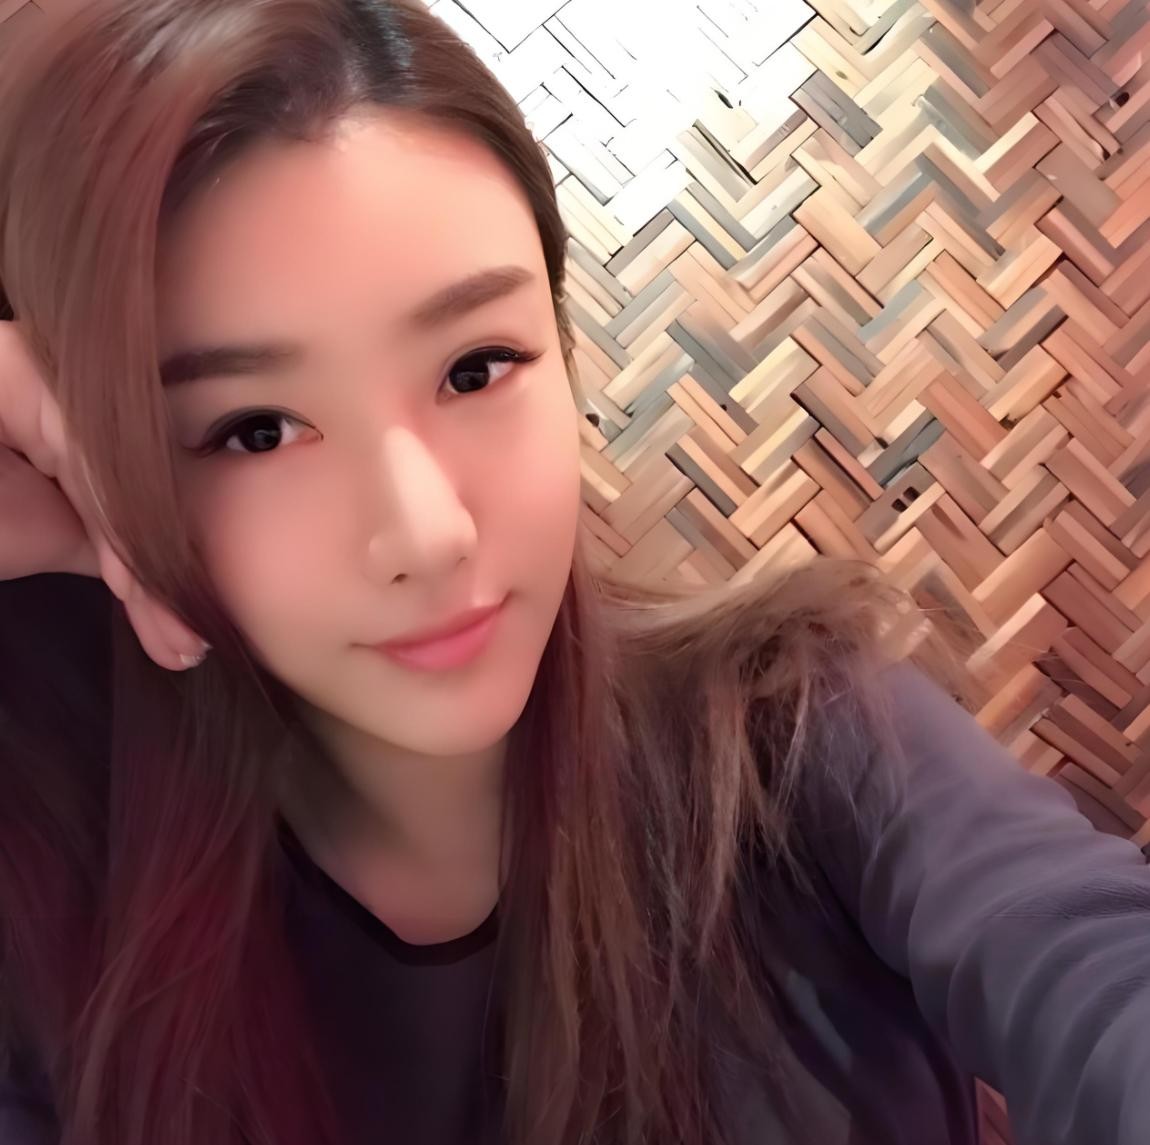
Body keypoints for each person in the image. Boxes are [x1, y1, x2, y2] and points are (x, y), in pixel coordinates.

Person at [0, 1, 1147, 1143]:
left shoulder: (796, 735)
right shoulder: (60, 898)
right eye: (255, 430)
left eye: (475, 366)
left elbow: (1089, 965)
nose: (427, 530)